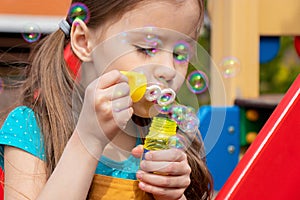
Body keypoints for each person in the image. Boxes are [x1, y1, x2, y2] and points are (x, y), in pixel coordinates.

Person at [0, 0, 213, 199]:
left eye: (180, 54)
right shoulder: (32, 128)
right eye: (146, 49)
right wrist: (88, 139)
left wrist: (173, 195)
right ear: (84, 42)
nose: (168, 70)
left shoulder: (168, 138)